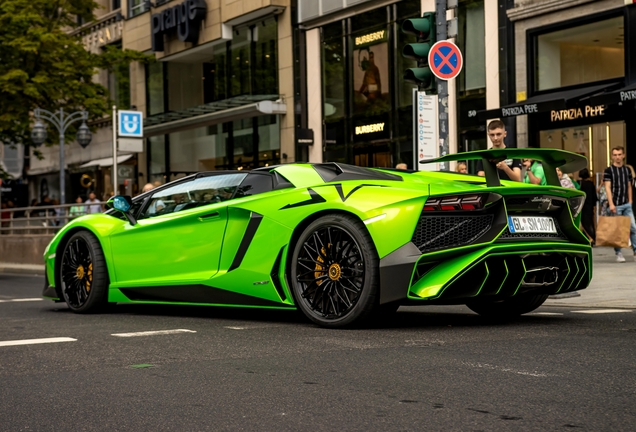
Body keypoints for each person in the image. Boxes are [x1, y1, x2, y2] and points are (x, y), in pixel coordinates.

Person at [603, 146, 636, 263]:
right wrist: (611, 204)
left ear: (623, 155)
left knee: (633, 228)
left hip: (626, 204)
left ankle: (635, 252)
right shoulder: (608, 170)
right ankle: (619, 253)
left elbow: (629, 186)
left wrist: (630, 201)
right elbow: (607, 187)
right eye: (615, 155)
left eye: (619, 154)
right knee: (617, 231)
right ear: (612, 156)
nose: (617, 157)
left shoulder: (627, 170)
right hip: (615, 205)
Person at [578, 168, 597, 246]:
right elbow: (594, 196)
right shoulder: (591, 184)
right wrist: (594, 206)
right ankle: (593, 237)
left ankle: (589, 238)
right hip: (590, 206)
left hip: (582, 206)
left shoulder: (580, 183)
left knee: (584, 223)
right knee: (590, 222)